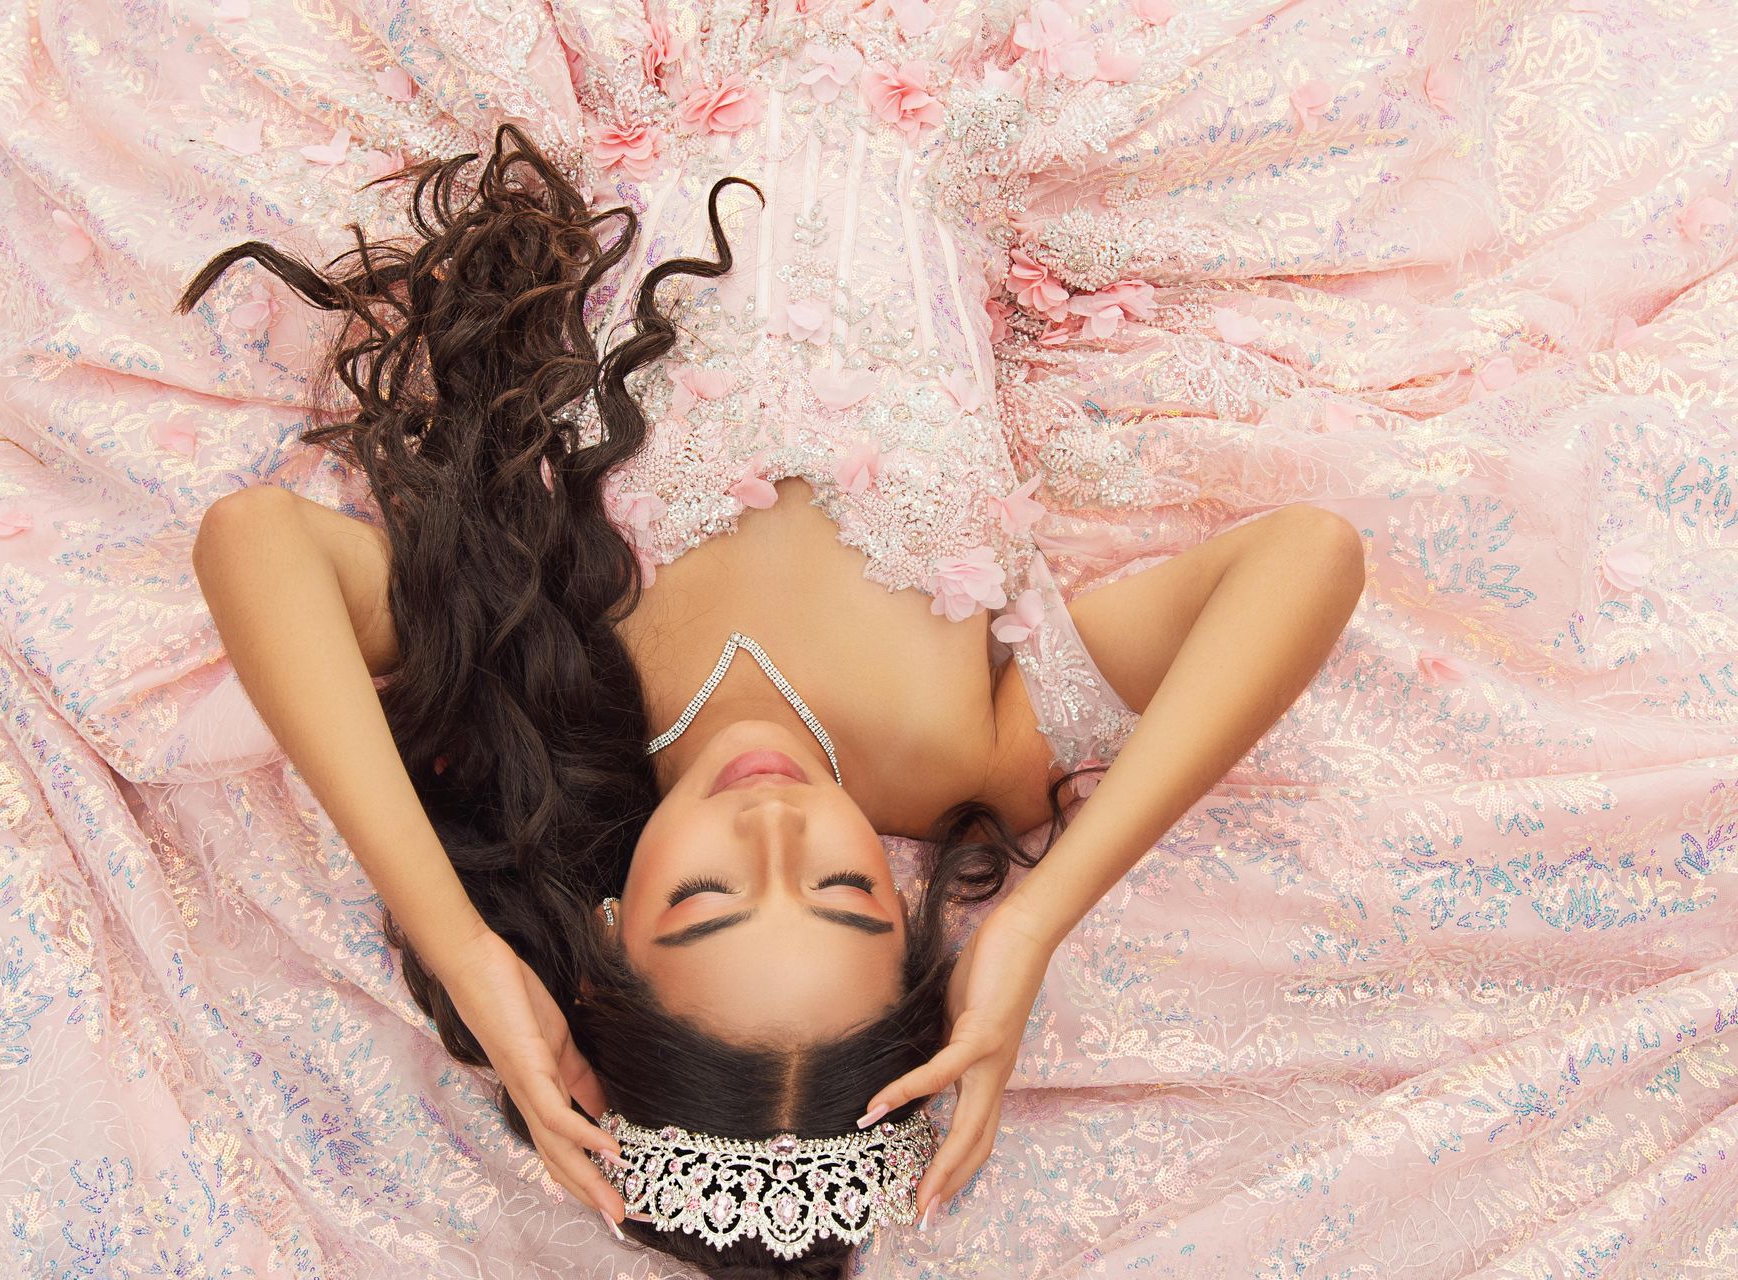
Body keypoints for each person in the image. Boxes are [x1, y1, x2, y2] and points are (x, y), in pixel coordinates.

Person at [184, 92, 1364, 1274]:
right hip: (953, 95)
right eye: (846, 886)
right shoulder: (966, 750)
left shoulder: (543, 678)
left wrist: (464, 946)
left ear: (611, 933)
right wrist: (1038, 921)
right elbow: (1306, 557)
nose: (774, 825)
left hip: (680, 79)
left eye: (709, 896)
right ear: (911, 918)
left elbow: (254, 542)